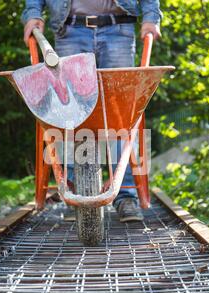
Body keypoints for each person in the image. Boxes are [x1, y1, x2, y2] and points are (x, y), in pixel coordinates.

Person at [22, 0, 162, 222]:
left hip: (119, 30)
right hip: (70, 31)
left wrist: (151, 17)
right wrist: (32, 14)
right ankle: (75, 192)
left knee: (120, 115)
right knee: (71, 113)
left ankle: (125, 197)